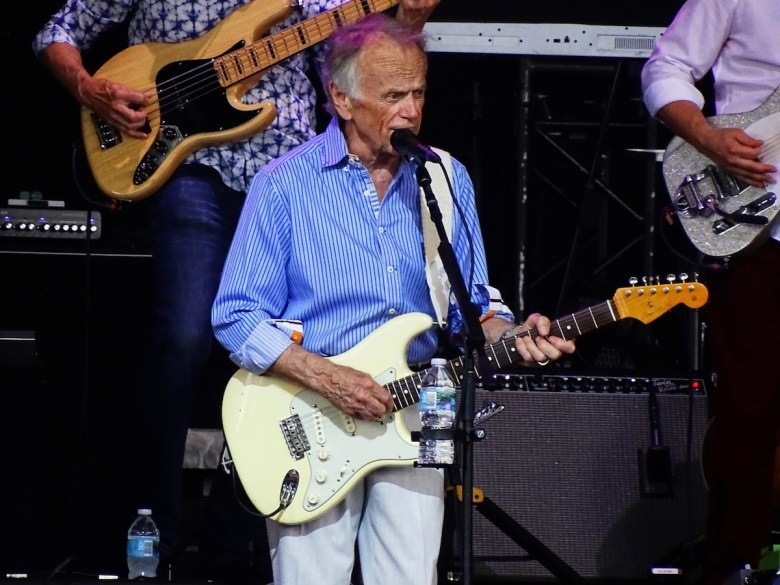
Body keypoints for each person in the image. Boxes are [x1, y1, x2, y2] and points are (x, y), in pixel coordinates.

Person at [32, 0, 439, 575]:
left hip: (290, 164)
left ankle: (235, 534)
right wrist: (88, 88)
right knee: (185, 335)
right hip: (188, 165)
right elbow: (59, 28)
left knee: (290, 341)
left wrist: (411, 20)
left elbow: (359, 62)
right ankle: (154, 533)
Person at [211, 13, 576, 585]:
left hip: (419, 405)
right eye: (392, 96)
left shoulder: (445, 177)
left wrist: (513, 336)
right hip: (313, 414)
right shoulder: (283, 185)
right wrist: (329, 378)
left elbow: (471, 308)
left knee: (410, 575)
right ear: (342, 99)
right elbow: (235, 316)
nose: (410, 110)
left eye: (418, 93)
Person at [641, 1, 780, 583]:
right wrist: (709, 138)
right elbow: (665, 67)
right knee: (750, 410)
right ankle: (733, 563)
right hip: (757, 230)